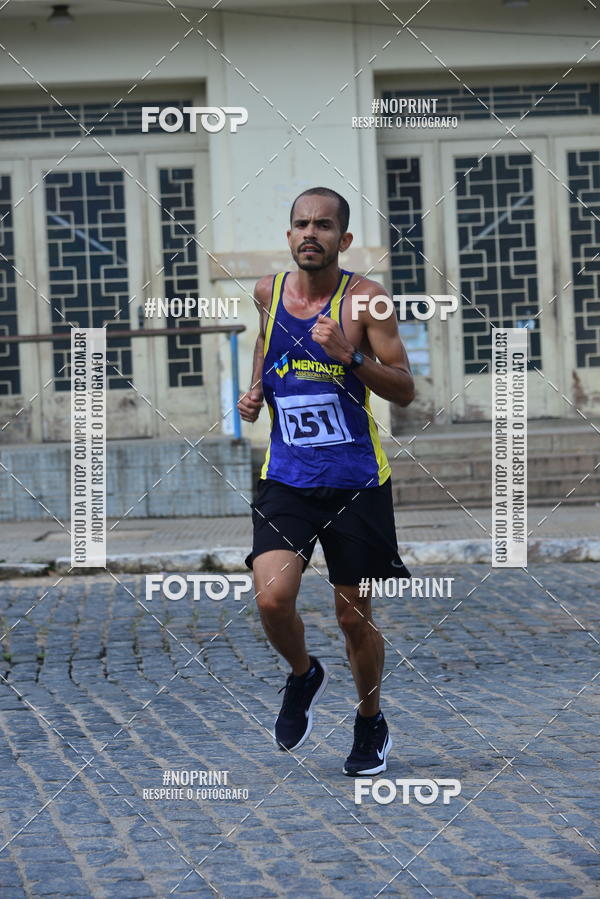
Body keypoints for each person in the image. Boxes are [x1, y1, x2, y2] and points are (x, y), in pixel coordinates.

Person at [237, 186, 414, 776]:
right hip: (286, 477)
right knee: (271, 596)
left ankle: (370, 722)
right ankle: (303, 673)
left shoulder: (368, 303)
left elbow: (405, 388)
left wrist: (349, 357)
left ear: (344, 239)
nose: (311, 233)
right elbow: (267, 339)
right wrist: (259, 388)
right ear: (289, 236)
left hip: (356, 482)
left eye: (324, 225)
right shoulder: (268, 291)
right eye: (301, 224)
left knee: (351, 616)